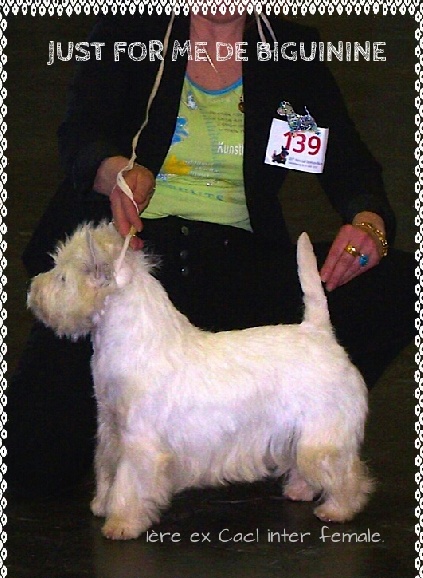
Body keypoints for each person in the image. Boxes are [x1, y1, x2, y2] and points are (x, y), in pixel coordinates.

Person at [7, 9, 414, 499]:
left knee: (398, 283)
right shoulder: (131, 31)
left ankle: (301, 423)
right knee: (35, 459)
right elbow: (80, 133)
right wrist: (114, 171)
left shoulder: (289, 50)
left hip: (237, 261)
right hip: (139, 268)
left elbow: (348, 161)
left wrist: (368, 223)